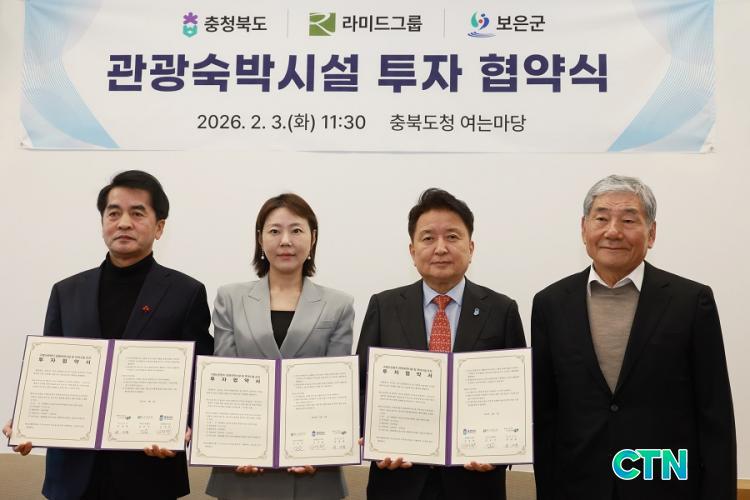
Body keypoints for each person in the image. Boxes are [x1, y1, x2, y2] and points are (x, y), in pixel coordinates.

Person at [3, 170, 214, 499]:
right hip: (73, 475)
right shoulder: (66, 292)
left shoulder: (186, 293)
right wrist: (29, 420)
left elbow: (200, 376)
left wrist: (182, 427)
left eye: (137, 213)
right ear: (103, 222)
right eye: (113, 213)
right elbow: (49, 375)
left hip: (148, 472)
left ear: (159, 227)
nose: (124, 223)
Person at [532, 174, 736, 500]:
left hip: (666, 483)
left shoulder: (690, 301)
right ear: (584, 228)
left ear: (651, 233)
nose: (613, 231)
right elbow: (545, 414)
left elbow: (715, 415)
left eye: (628, 220)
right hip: (579, 485)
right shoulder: (550, 303)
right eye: (601, 218)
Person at [356, 188, 526, 500]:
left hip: (474, 484)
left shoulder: (501, 310)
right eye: (428, 238)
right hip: (399, 481)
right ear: (412, 250)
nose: (440, 248)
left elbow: (518, 395)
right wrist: (375, 442)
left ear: (471, 247)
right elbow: (362, 387)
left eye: (452, 237)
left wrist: (501, 454)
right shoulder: (384, 306)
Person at [205, 193, 355, 500]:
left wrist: (319, 452)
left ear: (313, 238)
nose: (285, 240)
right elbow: (226, 381)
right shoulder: (230, 298)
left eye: (296, 230)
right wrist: (238, 447)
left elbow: (334, 391)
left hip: (313, 469)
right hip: (242, 465)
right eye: (274, 231)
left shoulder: (339, 304)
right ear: (260, 239)